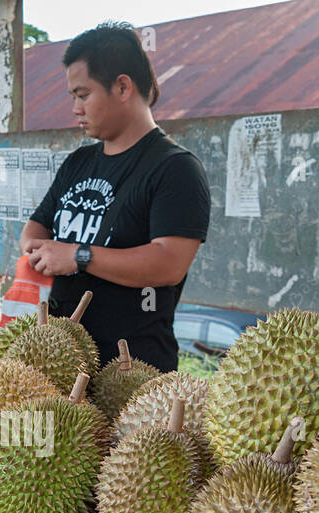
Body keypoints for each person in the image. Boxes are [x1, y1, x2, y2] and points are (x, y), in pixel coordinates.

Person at [22, 22, 211, 372]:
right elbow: (38, 225)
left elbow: (168, 264)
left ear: (122, 86)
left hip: (131, 371)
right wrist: (37, 248)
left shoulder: (175, 169)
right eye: (73, 97)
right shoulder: (79, 162)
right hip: (60, 360)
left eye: (83, 95)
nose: (75, 108)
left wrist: (78, 255)